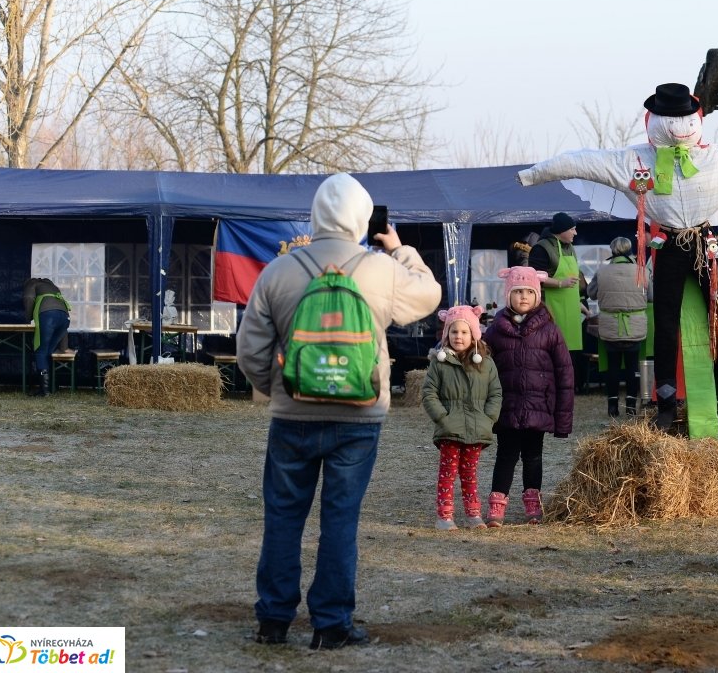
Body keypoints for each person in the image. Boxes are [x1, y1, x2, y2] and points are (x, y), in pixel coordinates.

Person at [517, 83, 718, 438]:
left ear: (696, 119)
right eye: (670, 118)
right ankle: (665, 402)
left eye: (683, 117)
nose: (678, 126)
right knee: (665, 323)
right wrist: (533, 174)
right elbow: (581, 162)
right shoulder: (634, 161)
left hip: (705, 244)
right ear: (655, 120)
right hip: (669, 245)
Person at [236, 172, 441, 650]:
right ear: (362, 218)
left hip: (292, 417)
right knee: (340, 519)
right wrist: (399, 249)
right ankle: (331, 625)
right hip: (360, 418)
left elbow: (249, 350)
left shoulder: (279, 271)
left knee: (283, 517)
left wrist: (281, 390)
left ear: (316, 215)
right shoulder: (380, 271)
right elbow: (430, 295)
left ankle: (273, 621)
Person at [483, 266, 574, 527]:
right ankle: (497, 504)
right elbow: (481, 363)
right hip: (507, 406)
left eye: (529, 292)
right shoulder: (496, 330)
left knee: (533, 456)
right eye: (518, 291)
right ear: (508, 295)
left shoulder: (550, 330)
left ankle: (533, 502)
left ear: (538, 295)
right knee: (506, 455)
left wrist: (563, 417)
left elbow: (564, 373)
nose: (523, 296)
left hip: (538, 406)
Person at [421, 304, 502, 531]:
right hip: (450, 428)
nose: (459, 336)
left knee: (470, 473)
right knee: (447, 473)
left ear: (474, 334)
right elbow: (429, 392)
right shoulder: (440, 362)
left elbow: (495, 393)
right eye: (454, 332)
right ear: (447, 334)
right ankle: (445, 516)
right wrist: (442, 417)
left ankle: (473, 514)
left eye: (464, 332)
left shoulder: (485, 364)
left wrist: (489, 418)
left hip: (477, 428)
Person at [586, 236, 650, 418]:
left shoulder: (602, 272)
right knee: (632, 367)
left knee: (612, 367)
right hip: (635, 325)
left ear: (612, 250)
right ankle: (631, 406)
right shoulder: (642, 271)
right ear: (630, 249)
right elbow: (651, 295)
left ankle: (612, 406)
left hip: (610, 326)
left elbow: (591, 294)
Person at [527, 212, 588, 391]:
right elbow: (535, 276)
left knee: (568, 353)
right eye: (572, 229)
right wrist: (561, 283)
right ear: (561, 230)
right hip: (550, 309)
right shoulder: (542, 248)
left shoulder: (569, 247)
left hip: (570, 311)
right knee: (553, 350)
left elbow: (574, 284)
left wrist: (579, 305)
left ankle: (567, 388)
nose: (575, 233)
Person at [23, 277, 70, 397]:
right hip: (65, 317)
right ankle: (49, 388)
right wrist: (64, 347)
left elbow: (28, 298)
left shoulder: (32, 284)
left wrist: (28, 319)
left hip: (48, 315)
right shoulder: (53, 288)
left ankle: (45, 391)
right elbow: (64, 330)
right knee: (48, 352)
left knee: (40, 352)